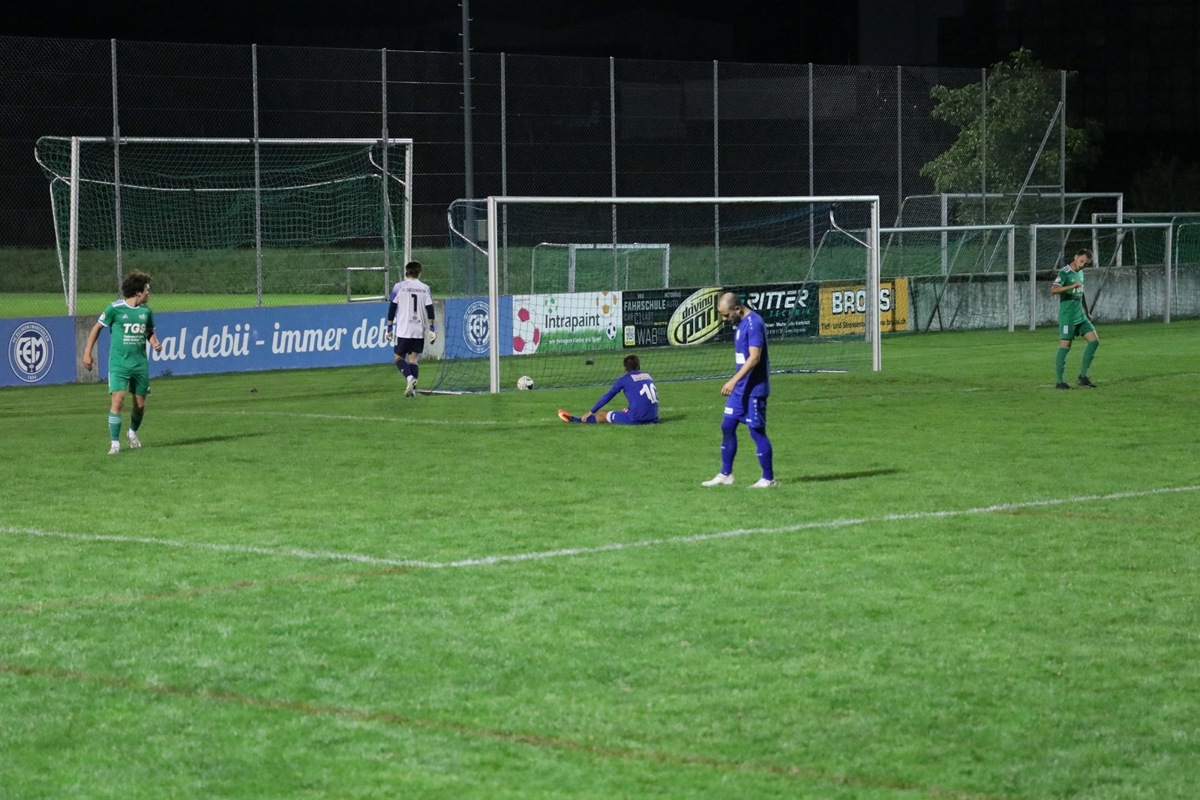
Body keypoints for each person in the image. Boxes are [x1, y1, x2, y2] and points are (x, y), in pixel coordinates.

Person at [82, 271, 163, 455]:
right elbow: (97, 328)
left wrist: (155, 343)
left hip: (139, 364)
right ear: (137, 292)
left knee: (139, 405)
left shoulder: (146, 312)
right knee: (118, 401)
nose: (149, 293)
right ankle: (115, 444)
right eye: (147, 290)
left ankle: (132, 432)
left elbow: (148, 331)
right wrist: (87, 353)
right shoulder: (114, 309)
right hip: (119, 364)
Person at [702, 292, 775, 488]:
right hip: (740, 391)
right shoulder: (740, 324)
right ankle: (726, 474)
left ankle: (768, 478)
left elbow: (754, 357)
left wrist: (732, 381)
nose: (725, 320)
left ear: (737, 308)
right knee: (727, 426)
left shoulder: (754, 323)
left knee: (756, 432)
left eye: (726, 315)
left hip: (754, 389)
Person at [557, 354, 659, 425]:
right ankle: (627, 412)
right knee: (628, 408)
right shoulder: (648, 375)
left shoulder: (624, 379)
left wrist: (591, 412)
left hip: (636, 419)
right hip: (653, 417)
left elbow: (607, 396)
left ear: (624, 368)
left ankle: (576, 420)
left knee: (602, 414)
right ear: (639, 366)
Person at [1050, 248, 1099, 389]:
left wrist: (1086, 310)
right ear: (1075, 257)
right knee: (1065, 347)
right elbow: (1053, 289)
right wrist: (1071, 286)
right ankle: (1059, 382)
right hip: (1068, 318)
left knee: (1094, 342)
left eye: (1086, 263)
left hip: (1081, 316)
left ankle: (1083, 377)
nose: (1082, 264)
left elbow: (1080, 292)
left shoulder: (1081, 273)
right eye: (1081, 261)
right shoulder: (1064, 273)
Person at [386, 260, 436, 397]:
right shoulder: (425, 288)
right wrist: (432, 328)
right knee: (413, 360)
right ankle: (412, 391)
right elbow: (430, 309)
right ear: (419, 273)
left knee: (398, 356)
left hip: (404, 329)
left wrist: (389, 327)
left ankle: (409, 378)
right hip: (419, 329)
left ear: (406, 272)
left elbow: (392, 307)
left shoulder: (399, 286)